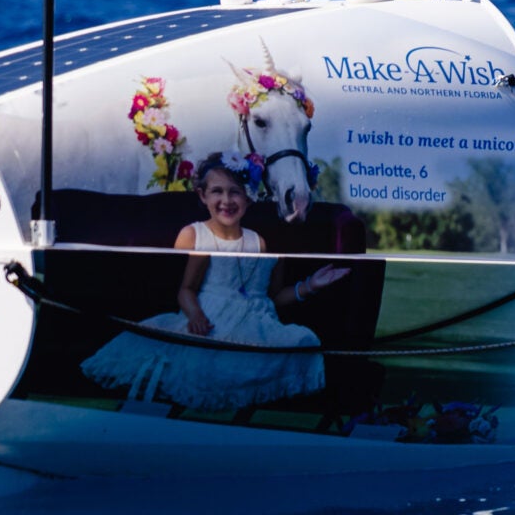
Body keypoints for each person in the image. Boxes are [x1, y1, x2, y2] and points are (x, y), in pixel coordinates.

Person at [80, 155, 347, 408]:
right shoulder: (197, 236)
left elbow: (272, 297)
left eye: (235, 192)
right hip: (214, 319)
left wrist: (310, 285)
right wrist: (195, 314)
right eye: (217, 191)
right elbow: (185, 289)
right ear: (203, 195)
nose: (226, 200)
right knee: (207, 359)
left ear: (248, 196)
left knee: (303, 341)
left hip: (258, 324)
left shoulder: (260, 242)